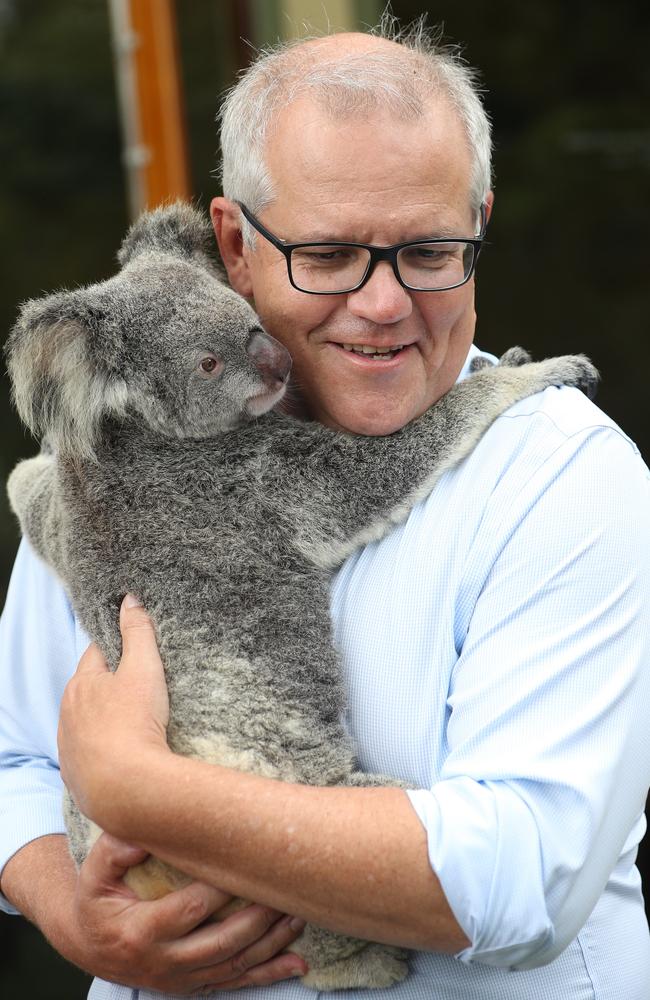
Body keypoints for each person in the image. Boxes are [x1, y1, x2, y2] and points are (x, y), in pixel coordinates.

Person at [2, 16, 650, 1000]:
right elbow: (13, 763)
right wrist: (69, 907)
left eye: (429, 251)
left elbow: (517, 877)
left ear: (478, 221)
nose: (383, 303)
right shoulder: (101, 464)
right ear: (234, 244)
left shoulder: (564, 477)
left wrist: (144, 793)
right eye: (330, 254)